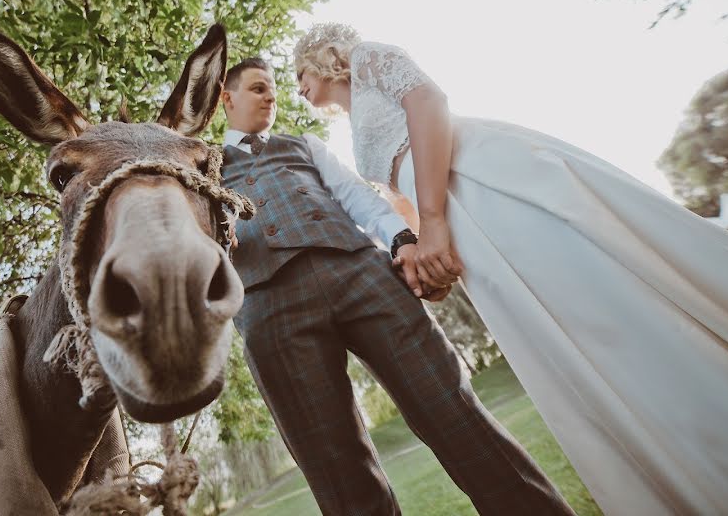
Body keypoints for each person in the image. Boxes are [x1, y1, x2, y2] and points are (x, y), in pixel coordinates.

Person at [293, 23, 728, 516]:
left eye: (298, 74)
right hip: (460, 226)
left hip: (480, 180)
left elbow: (428, 103)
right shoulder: (352, 127)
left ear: (322, 57)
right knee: (560, 335)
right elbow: (398, 200)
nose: (297, 87)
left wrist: (437, 218)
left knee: (596, 296)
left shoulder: (370, 60)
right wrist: (426, 260)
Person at [218, 57, 575, 515]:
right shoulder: (204, 168)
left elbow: (355, 197)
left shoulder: (303, 145)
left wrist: (403, 240)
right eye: (257, 88)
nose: (271, 96)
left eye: (272, 89)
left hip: (361, 275)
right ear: (226, 98)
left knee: (454, 413)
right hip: (270, 307)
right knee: (336, 470)